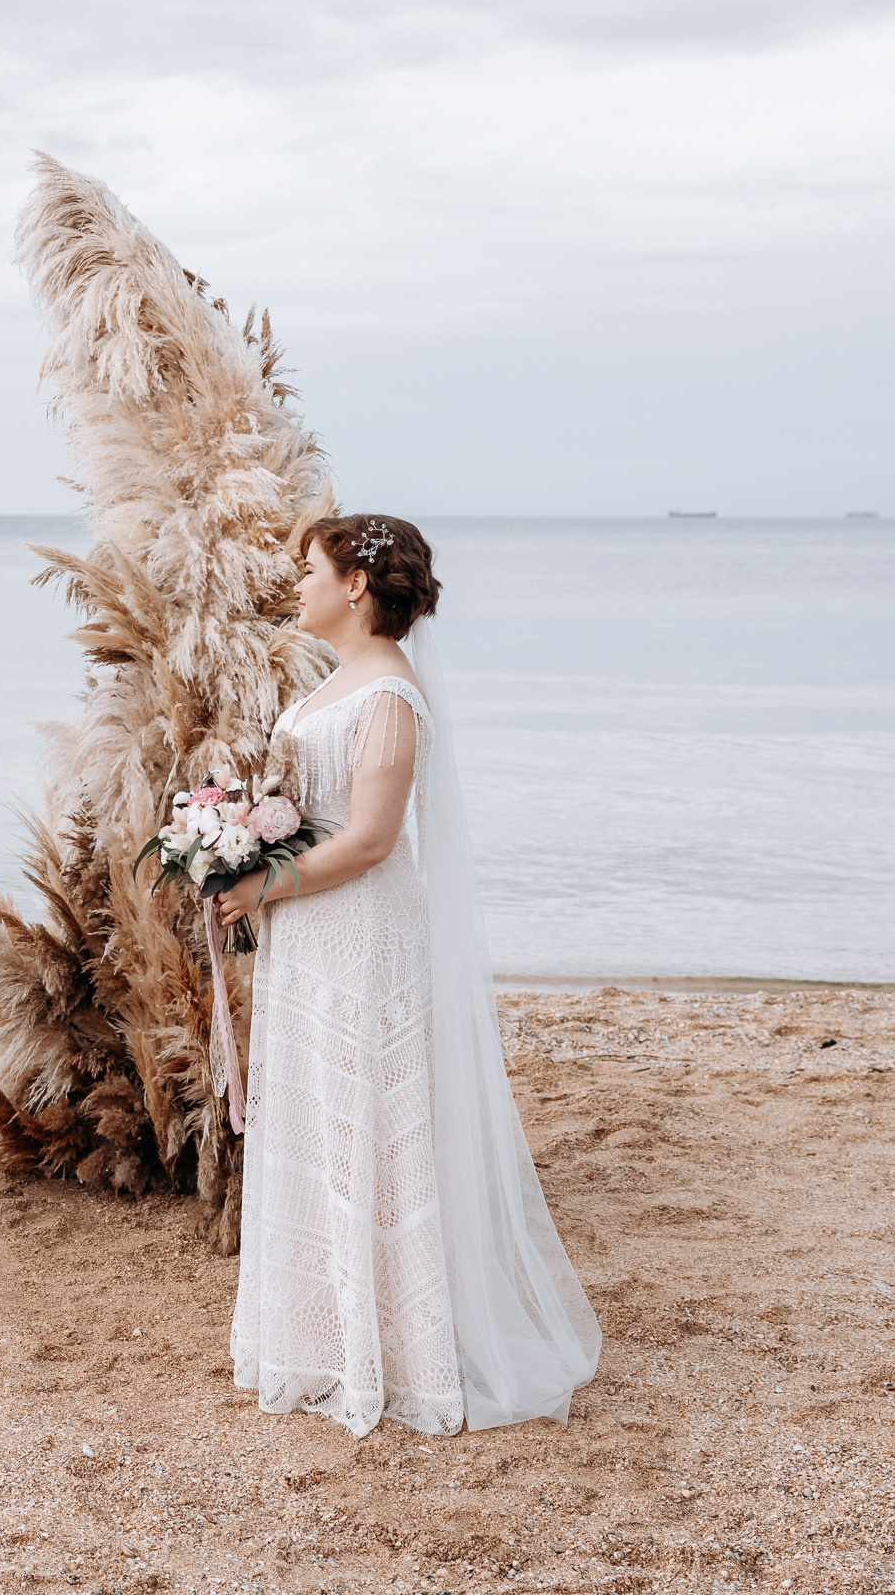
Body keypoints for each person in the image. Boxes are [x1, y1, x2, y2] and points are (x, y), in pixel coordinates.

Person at [216, 514, 600, 1437]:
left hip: (359, 932)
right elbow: (309, 811)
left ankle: (391, 1350)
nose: (295, 584)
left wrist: (264, 882)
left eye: (308, 569)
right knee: (313, 1112)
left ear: (356, 586)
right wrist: (229, 836)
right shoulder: (331, 685)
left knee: (369, 1126)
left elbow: (375, 840)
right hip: (308, 931)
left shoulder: (389, 694)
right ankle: (321, 1339)